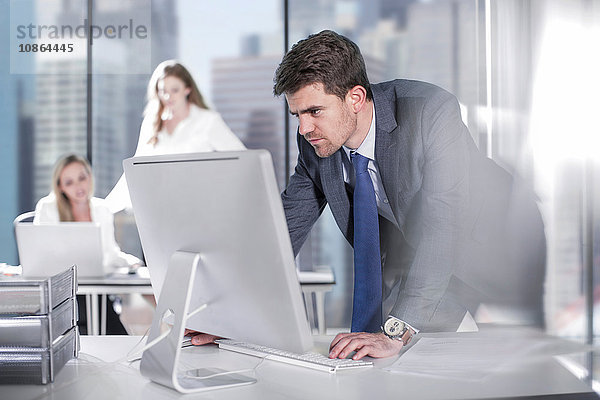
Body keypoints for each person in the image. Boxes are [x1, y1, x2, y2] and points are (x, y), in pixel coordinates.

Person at [187, 30, 546, 360]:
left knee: (513, 366)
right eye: (297, 114)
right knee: (383, 357)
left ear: (355, 97)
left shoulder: (429, 111)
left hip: (499, 247)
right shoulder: (316, 142)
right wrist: (227, 314)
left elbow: (443, 221)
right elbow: (281, 230)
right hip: (420, 259)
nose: (304, 128)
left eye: (314, 111)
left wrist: (400, 327)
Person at [106, 60, 246, 213]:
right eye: (162, 90)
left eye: (174, 90)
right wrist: (106, 208)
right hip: (160, 208)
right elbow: (136, 168)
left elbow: (242, 159)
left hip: (199, 207)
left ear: (187, 89)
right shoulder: (151, 123)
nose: (167, 96)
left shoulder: (208, 121)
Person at [34, 154, 142, 334]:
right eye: (69, 182)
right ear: (60, 186)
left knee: (117, 335)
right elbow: (44, 255)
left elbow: (110, 253)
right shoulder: (47, 207)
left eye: (82, 178)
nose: (78, 186)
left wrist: (131, 262)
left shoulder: (102, 209)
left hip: (96, 290)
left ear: (90, 177)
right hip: (63, 292)